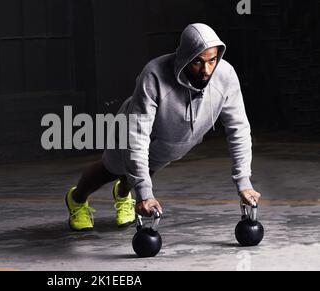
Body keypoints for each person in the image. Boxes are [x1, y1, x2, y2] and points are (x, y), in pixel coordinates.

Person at [65, 23, 261, 231]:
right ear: (185, 57)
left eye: (212, 60)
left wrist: (244, 182)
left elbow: (238, 127)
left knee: (144, 171)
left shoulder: (226, 76)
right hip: (132, 130)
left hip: (173, 142)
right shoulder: (154, 74)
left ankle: (122, 195)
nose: (206, 70)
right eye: (198, 62)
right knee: (111, 169)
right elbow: (137, 137)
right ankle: (76, 199)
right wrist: (145, 195)